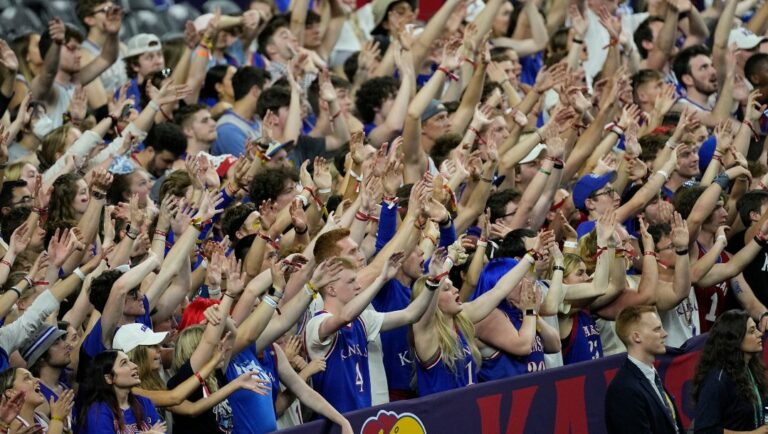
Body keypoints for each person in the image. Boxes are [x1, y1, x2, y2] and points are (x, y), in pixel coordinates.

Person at [604, 305, 684, 434]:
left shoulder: (650, 376)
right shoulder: (624, 390)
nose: (664, 334)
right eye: (657, 329)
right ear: (637, 337)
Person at [692, 310, 767, 433]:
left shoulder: (752, 369)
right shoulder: (717, 379)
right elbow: (704, 430)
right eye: (752, 331)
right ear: (735, 338)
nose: (760, 334)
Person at [76, 350, 165, 434]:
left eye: (130, 361)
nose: (134, 365)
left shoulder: (145, 402)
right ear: (109, 378)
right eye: (124, 363)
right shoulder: (98, 411)